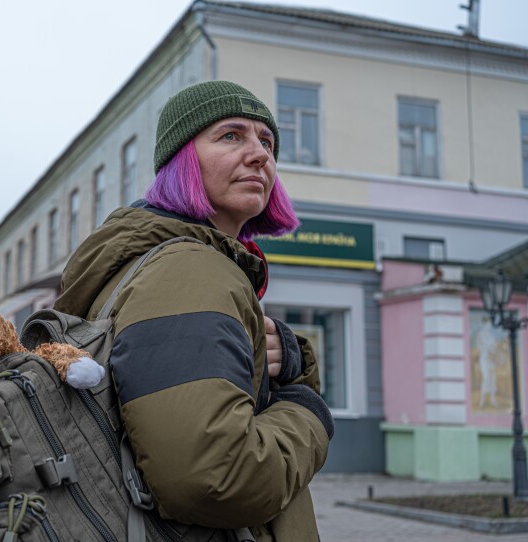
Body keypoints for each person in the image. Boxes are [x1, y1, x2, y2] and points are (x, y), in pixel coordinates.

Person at [53, 80, 334, 540]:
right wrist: (308, 410)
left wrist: (287, 358)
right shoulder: (190, 268)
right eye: (231, 135)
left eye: (267, 142)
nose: (260, 155)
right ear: (181, 158)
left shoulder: (172, 262)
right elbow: (217, 481)